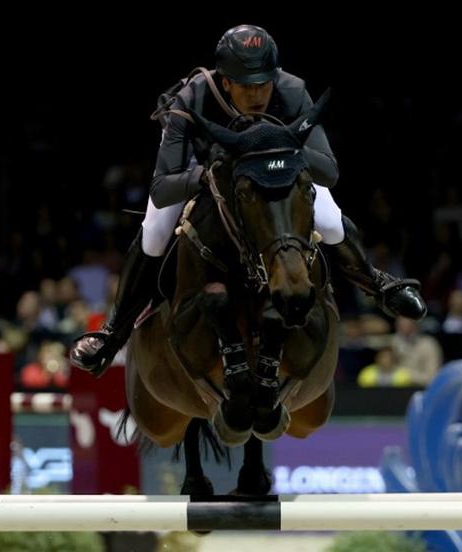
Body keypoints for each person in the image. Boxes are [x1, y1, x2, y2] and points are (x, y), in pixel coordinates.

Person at [70, 24, 426, 376]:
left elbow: (329, 172)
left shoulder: (292, 91)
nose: (258, 94)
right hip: (207, 171)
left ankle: (379, 285)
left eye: (264, 83)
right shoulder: (191, 99)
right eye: (246, 86)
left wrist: (287, 150)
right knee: (155, 232)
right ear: (225, 81)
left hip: (279, 170)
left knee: (331, 224)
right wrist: (211, 171)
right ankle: (113, 333)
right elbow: (163, 187)